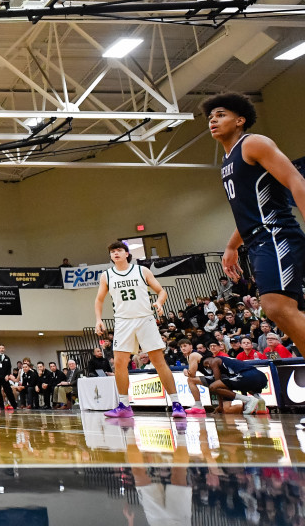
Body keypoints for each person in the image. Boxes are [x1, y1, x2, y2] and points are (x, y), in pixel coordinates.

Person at [206, 93, 305, 367]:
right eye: (210, 117)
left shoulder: (253, 143)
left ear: (240, 120)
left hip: (277, 234)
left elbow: (296, 180)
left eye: (221, 114)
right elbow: (247, 212)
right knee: (280, 311)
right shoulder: (227, 162)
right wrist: (231, 245)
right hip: (258, 240)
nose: (213, 120)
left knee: (277, 307)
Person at [95, 240, 186, 419]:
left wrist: (159, 303)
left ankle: (177, 404)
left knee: (159, 361)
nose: (116, 253)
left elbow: (161, 291)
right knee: (120, 363)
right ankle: (124, 405)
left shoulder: (141, 270)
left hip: (145, 319)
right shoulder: (106, 276)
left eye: (119, 250)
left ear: (127, 253)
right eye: (113, 251)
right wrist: (98, 320)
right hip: (122, 321)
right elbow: (99, 300)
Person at [181, 340, 268, 414]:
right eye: (181, 347)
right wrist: (221, 405)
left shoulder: (213, 361)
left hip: (247, 376)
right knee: (226, 409)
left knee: (192, 380)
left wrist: (186, 371)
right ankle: (258, 403)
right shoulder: (220, 361)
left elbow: (216, 383)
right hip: (258, 376)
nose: (183, 348)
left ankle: (249, 401)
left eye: (185, 345)